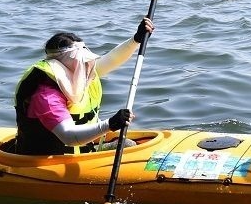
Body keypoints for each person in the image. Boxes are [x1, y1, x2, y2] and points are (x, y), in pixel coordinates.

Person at [12, 17, 156, 156]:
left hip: (83, 153)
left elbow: (111, 59)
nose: (88, 65)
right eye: (82, 61)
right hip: (50, 161)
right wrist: (110, 124)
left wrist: (136, 40)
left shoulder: (81, 75)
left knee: (128, 144)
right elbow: (68, 136)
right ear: (67, 64)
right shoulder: (46, 96)